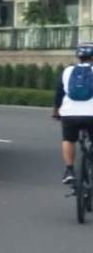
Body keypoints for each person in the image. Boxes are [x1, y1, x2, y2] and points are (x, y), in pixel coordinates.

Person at [54, 43, 93, 185]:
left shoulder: (67, 71)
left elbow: (59, 93)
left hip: (70, 114)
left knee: (69, 140)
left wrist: (56, 111)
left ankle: (69, 170)